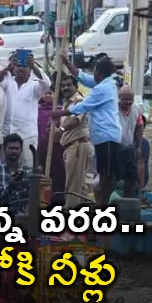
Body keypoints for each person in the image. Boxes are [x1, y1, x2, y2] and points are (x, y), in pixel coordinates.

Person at [52, 55, 121, 206]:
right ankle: (97, 205)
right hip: (103, 137)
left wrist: (61, 113)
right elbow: (86, 79)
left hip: (106, 136)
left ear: (98, 72)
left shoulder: (103, 88)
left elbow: (83, 107)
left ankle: (103, 205)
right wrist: (68, 64)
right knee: (97, 177)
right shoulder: (105, 83)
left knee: (105, 175)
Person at [0, 51, 51, 168]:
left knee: (27, 168)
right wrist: (8, 67)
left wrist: (33, 65)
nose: (21, 69)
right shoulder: (7, 81)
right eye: (18, 66)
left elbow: (47, 84)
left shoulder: (34, 86)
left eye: (25, 66)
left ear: (30, 70)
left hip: (27, 135)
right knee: (5, 167)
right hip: (6, 133)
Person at [54, 74, 94, 209]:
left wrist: (61, 129)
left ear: (76, 87)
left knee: (73, 186)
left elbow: (75, 120)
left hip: (78, 146)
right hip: (71, 147)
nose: (65, 88)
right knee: (81, 186)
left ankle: (69, 215)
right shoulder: (65, 103)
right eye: (63, 85)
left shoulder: (79, 101)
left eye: (68, 85)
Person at [0, 133, 32, 214]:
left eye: (16, 148)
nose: (13, 151)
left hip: (22, 216)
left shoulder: (27, 171)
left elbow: (32, 197)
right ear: (4, 149)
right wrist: (9, 187)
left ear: (21, 150)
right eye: (10, 148)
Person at [117, 85, 144, 198]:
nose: (128, 102)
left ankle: (127, 199)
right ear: (119, 97)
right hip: (115, 148)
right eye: (125, 99)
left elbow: (139, 126)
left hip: (129, 148)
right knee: (112, 177)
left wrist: (138, 146)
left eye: (130, 99)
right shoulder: (112, 109)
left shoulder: (136, 109)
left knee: (131, 178)